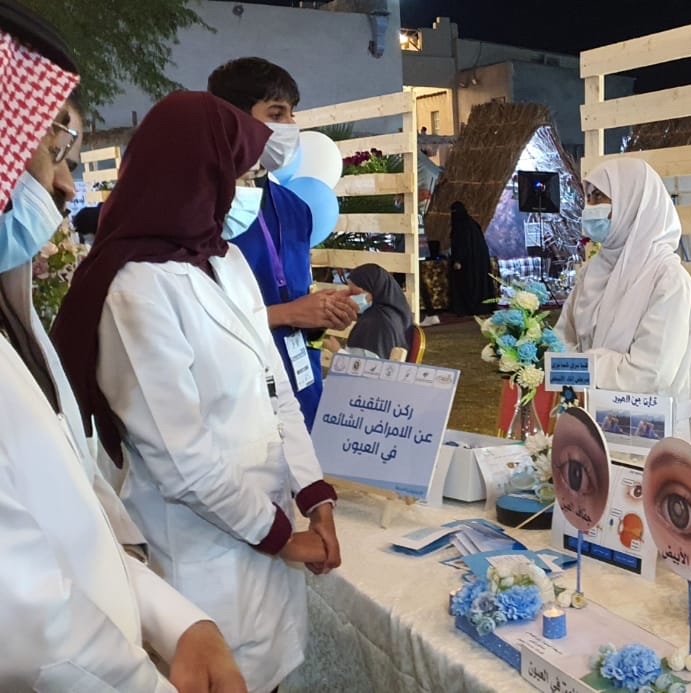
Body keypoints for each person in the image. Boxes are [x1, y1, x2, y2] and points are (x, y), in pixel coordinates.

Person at [52, 91, 341, 693]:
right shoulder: (134, 289)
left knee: (273, 674)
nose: (244, 194)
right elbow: (182, 460)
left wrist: (315, 496)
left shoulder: (226, 262)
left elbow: (275, 387)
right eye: (238, 178)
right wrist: (282, 538)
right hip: (202, 559)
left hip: (266, 543)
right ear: (194, 176)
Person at [0, 5, 245, 690]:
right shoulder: (133, 285)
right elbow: (26, 626)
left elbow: (74, 502)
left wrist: (175, 620)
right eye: (52, 152)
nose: (66, 186)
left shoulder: (14, 314)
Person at [209, 56, 358, 430]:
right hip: (240, 394)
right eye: (276, 114)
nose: (290, 126)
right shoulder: (204, 207)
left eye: (292, 113)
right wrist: (289, 314)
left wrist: (324, 312)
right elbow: (199, 319)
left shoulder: (295, 208)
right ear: (233, 119)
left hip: (303, 386)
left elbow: (295, 294)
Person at [556, 158, 691, 449]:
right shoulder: (591, 272)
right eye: (588, 197)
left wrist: (577, 367)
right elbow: (560, 341)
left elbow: (649, 374)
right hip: (590, 424)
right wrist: (570, 365)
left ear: (632, 201)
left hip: (651, 436)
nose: (589, 206)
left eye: (599, 196)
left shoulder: (667, 279)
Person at [342, 263, 414, 359]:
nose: (350, 297)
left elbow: (366, 365)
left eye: (353, 292)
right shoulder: (397, 312)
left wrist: (337, 351)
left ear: (372, 290)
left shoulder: (374, 323)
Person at [449, 201, 494, 315]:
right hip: (479, 261)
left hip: (468, 263)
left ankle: (469, 308)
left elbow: (462, 245)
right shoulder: (473, 224)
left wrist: (458, 260)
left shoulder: (461, 226)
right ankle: (482, 307)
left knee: (468, 285)